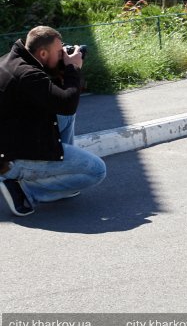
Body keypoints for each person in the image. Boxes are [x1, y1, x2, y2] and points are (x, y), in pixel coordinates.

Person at [0, 26, 107, 216]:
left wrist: (61, 69)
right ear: (42, 52)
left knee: (65, 116)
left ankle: (56, 175)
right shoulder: (28, 75)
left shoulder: (12, 60)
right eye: (59, 52)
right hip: (12, 155)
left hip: (15, 134)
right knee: (97, 170)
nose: (63, 55)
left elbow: (58, 101)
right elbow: (67, 103)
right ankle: (25, 190)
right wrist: (73, 68)